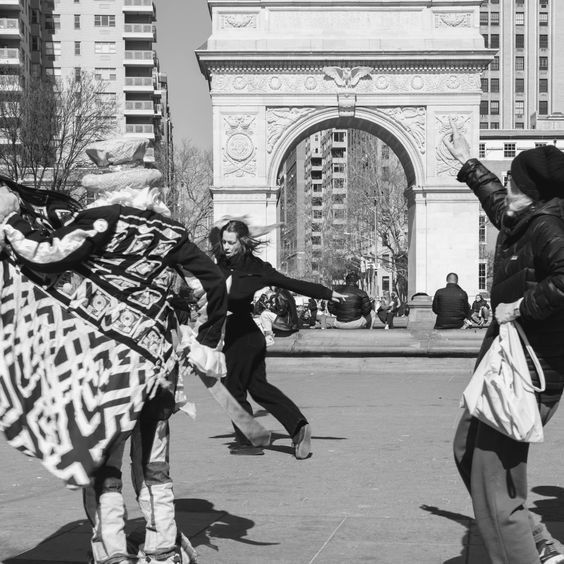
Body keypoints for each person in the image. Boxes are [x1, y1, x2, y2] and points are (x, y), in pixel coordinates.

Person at [0, 140, 227, 564]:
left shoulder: (98, 221)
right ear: (145, 186)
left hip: (107, 367)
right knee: (155, 462)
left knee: (104, 462)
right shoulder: (169, 230)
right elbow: (213, 281)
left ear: (104, 187)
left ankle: (114, 552)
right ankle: (162, 548)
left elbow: (46, 256)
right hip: (159, 365)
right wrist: (208, 341)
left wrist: (13, 221)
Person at [445, 117, 564, 564]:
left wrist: (520, 307)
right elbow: (496, 203)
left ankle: (525, 547)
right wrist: (468, 162)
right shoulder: (523, 218)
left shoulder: (548, 230)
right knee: (465, 451)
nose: (506, 187)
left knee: (494, 495)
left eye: (513, 182)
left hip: (530, 373)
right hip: (505, 366)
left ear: (533, 193)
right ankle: (535, 539)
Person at [211, 219, 345, 457]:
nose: (226, 247)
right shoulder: (221, 263)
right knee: (259, 389)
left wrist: (327, 293)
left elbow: (292, 283)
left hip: (243, 336)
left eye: (231, 242)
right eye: (224, 242)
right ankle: (298, 427)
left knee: (232, 388)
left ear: (242, 243)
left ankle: (250, 439)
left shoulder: (257, 269)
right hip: (238, 335)